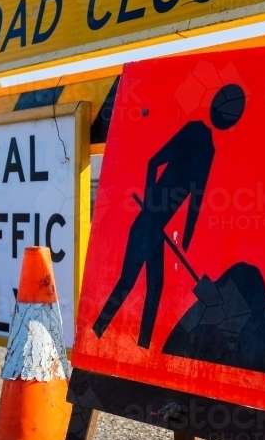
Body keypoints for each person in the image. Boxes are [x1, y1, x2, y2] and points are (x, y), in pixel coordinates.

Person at [93, 84, 246, 347]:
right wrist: (151, 204)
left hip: (157, 230)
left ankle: (142, 346)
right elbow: (154, 162)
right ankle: (97, 331)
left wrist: (186, 243)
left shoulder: (210, 153)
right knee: (127, 282)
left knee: (155, 288)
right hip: (145, 224)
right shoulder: (194, 131)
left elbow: (195, 205)